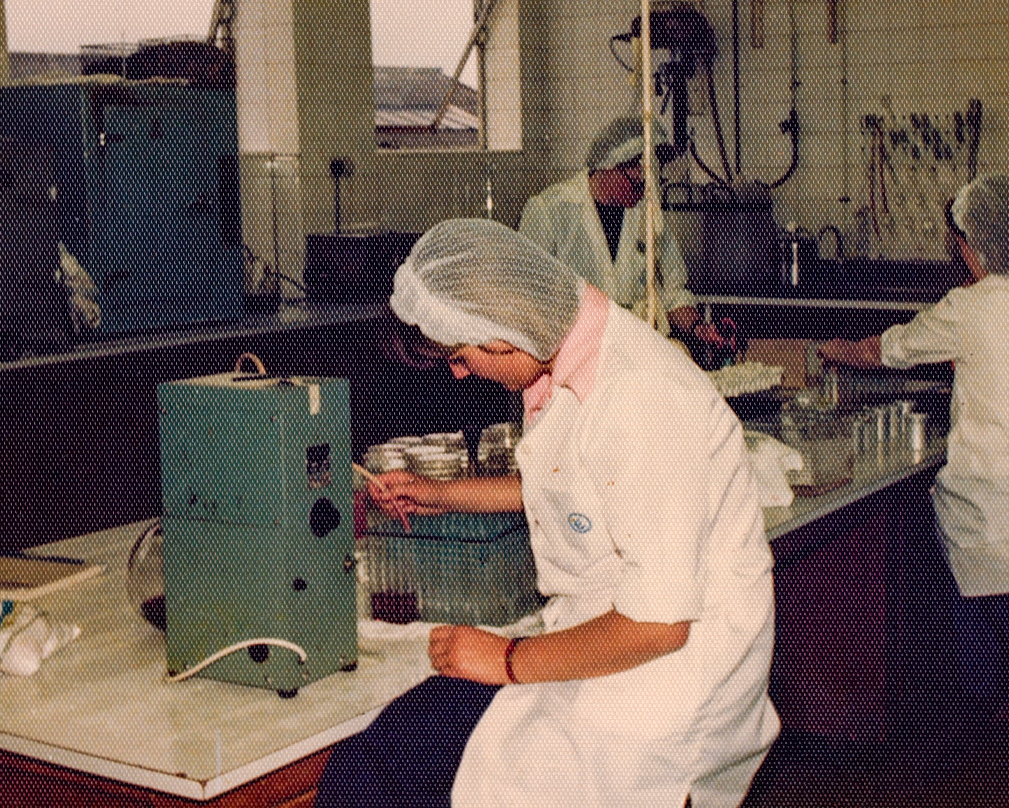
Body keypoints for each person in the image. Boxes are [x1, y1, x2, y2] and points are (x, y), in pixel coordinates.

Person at [318, 218, 778, 808]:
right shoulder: (571, 349)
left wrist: (506, 659)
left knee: (400, 771)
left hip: (669, 689)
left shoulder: (645, 399)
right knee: (386, 752)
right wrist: (442, 493)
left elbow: (660, 624)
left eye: (460, 357)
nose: (460, 374)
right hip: (601, 644)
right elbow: (571, 484)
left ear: (502, 337)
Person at [818, 175, 1009, 721]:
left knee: (931, 523)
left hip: (1005, 511)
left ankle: (983, 692)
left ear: (977, 246)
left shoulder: (971, 306)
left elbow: (888, 350)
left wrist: (834, 349)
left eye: (962, 243)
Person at [518, 115, 730, 352]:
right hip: (573, 356)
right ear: (611, 165)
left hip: (634, 354)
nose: (643, 193)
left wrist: (698, 328)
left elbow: (673, 291)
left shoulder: (647, 215)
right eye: (637, 184)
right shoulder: (550, 212)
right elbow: (528, 301)